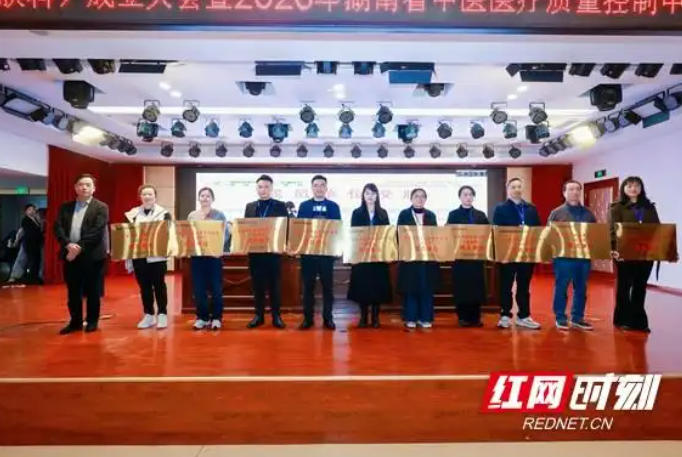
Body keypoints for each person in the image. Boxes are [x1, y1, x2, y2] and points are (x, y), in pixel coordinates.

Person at [53, 173, 109, 334]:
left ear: (94, 189)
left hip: (92, 256)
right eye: (81, 184)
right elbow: (58, 228)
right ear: (75, 187)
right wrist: (68, 245)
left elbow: (97, 231)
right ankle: (75, 322)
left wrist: (77, 247)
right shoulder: (65, 207)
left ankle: (92, 321)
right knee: (73, 291)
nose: (84, 187)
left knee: (93, 291)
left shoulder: (101, 207)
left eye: (88, 185)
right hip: (70, 255)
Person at [609, 176, 661, 333]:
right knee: (624, 287)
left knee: (640, 286)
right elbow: (612, 231)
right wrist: (614, 249)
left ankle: (639, 322)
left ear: (641, 188)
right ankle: (622, 319)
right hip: (624, 253)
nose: (633, 189)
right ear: (624, 188)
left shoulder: (649, 207)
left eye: (636, 186)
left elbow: (658, 229)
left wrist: (664, 248)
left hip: (646, 253)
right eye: (629, 186)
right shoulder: (617, 208)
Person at [492, 177, 542, 330]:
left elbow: (538, 231)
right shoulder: (500, 208)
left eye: (519, 186)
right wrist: (500, 254)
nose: (516, 189)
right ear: (508, 189)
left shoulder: (531, 208)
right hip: (508, 254)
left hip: (526, 254)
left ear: (522, 188)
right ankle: (505, 315)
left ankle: (524, 316)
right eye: (513, 187)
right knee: (505, 286)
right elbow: (497, 232)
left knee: (524, 286)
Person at [547, 180, 597, 331]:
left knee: (581, 288)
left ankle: (577, 318)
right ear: (564, 193)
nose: (575, 192)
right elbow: (549, 235)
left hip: (583, 258)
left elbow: (594, 235)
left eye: (577, 189)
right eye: (571, 189)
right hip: (563, 258)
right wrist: (549, 254)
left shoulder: (588, 214)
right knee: (561, 287)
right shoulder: (556, 213)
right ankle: (560, 317)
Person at [243, 174, 288, 329]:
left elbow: (285, 228)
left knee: (275, 286)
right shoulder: (250, 206)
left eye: (266, 187)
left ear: (271, 188)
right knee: (257, 286)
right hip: (255, 254)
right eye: (260, 187)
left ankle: (276, 316)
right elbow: (245, 229)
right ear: (257, 189)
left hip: (273, 254)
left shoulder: (280, 206)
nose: (263, 190)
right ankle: (259, 316)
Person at [297, 175, 341, 330]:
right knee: (308, 288)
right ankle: (307, 319)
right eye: (316, 185)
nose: (319, 188)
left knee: (328, 288)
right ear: (312, 188)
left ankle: (328, 318)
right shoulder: (304, 206)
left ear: (326, 188)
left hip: (326, 256)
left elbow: (337, 230)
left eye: (322, 185)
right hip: (308, 255)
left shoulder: (334, 206)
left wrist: (337, 248)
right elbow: (299, 230)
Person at [125, 184, 172, 330]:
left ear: (155, 196)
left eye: (150, 194)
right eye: (144, 194)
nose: (147, 197)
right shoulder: (132, 214)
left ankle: (162, 314)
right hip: (139, 256)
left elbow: (169, 234)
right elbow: (127, 236)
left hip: (157, 256)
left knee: (159, 285)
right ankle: (149, 315)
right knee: (144, 286)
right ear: (140, 197)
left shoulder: (164, 213)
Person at [347, 183, 393, 328]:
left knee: (377, 286)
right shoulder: (357, 213)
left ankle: (375, 317)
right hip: (362, 256)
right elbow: (353, 234)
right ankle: (363, 317)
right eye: (367, 193)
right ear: (363, 195)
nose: (370, 196)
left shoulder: (383, 213)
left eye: (373, 193)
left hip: (378, 256)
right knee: (363, 286)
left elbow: (387, 235)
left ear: (377, 195)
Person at [446, 185, 490, 327]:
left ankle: (475, 318)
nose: (468, 197)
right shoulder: (453, 215)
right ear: (460, 197)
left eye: (470, 194)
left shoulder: (480, 215)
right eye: (465, 194)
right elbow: (449, 234)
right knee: (462, 288)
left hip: (476, 259)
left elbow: (487, 233)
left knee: (476, 288)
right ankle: (462, 317)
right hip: (460, 259)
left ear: (473, 197)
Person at [187, 187, 228, 331]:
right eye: (202, 196)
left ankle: (216, 318)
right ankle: (202, 318)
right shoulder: (192, 215)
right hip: (197, 257)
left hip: (214, 257)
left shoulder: (219, 215)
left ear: (212, 199)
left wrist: (217, 247)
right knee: (199, 289)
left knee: (216, 289)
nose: (205, 198)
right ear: (199, 198)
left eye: (208, 196)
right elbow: (188, 234)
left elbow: (225, 234)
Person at [397, 188, 438, 329]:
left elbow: (435, 236)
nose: (419, 199)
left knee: (426, 288)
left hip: (427, 259)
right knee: (411, 288)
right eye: (416, 196)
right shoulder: (404, 214)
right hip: (410, 259)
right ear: (411, 199)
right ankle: (411, 318)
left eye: (422, 197)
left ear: (425, 199)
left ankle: (425, 317)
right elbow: (400, 234)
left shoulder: (431, 215)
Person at [21, 204, 43, 284]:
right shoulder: (25, 220)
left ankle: (35, 277)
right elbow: (30, 232)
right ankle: (30, 278)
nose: (32, 211)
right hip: (30, 243)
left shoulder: (35, 219)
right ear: (26, 211)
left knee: (37, 260)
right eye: (30, 209)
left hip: (36, 243)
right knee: (32, 260)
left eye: (33, 209)